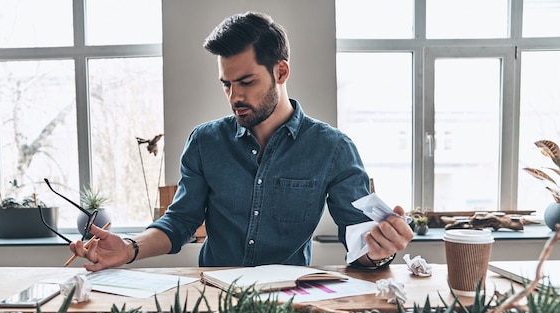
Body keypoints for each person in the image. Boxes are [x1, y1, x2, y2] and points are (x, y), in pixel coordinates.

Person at [70, 11, 413, 272]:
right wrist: (129, 247)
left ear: (281, 72)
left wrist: (377, 251)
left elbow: (358, 236)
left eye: (246, 81)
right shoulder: (205, 142)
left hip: (289, 304)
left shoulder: (333, 149)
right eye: (226, 84)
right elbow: (179, 222)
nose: (234, 96)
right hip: (212, 299)